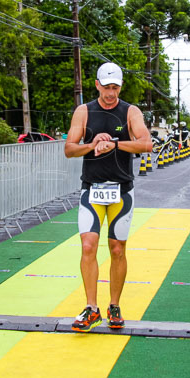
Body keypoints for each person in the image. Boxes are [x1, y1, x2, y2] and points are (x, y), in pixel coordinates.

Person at [64, 62, 152, 332]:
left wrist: (113, 144)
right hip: (91, 189)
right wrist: (92, 145)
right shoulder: (84, 111)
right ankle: (92, 308)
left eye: (115, 88)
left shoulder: (130, 112)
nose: (111, 93)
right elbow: (69, 149)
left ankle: (114, 305)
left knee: (117, 249)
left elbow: (146, 143)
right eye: (106, 87)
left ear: (120, 87)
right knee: (88, 246)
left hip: (121, 191)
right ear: (97, 85)